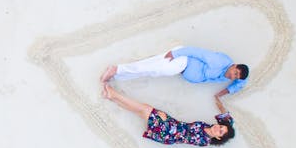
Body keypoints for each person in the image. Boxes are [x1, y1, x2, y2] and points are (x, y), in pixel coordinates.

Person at [101, 83, 235, 147]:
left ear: (218, 137)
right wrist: (227, 120)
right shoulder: (209, 126)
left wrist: (164, 121)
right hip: (173, 124)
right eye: (221, 127)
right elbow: (226, 118)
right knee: (141, 111)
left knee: (146, 109)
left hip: (168, 132)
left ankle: (113, 94)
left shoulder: (204, 141)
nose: (219, 128)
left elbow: (181, 135)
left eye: (221, 131)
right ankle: (112, 98)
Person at [101, 45, 249, 98]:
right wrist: (176, 54)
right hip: (183, 60)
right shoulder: (220, 61)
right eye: (234, 72)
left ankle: (118, 74)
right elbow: (197, 52)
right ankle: (116, 69)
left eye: (235, 76)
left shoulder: (229, 77)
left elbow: (242, 81)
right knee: (153, 68)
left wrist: (224, 93)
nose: (232, 76)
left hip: (181, 69)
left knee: (152, 71)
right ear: (234, 65)